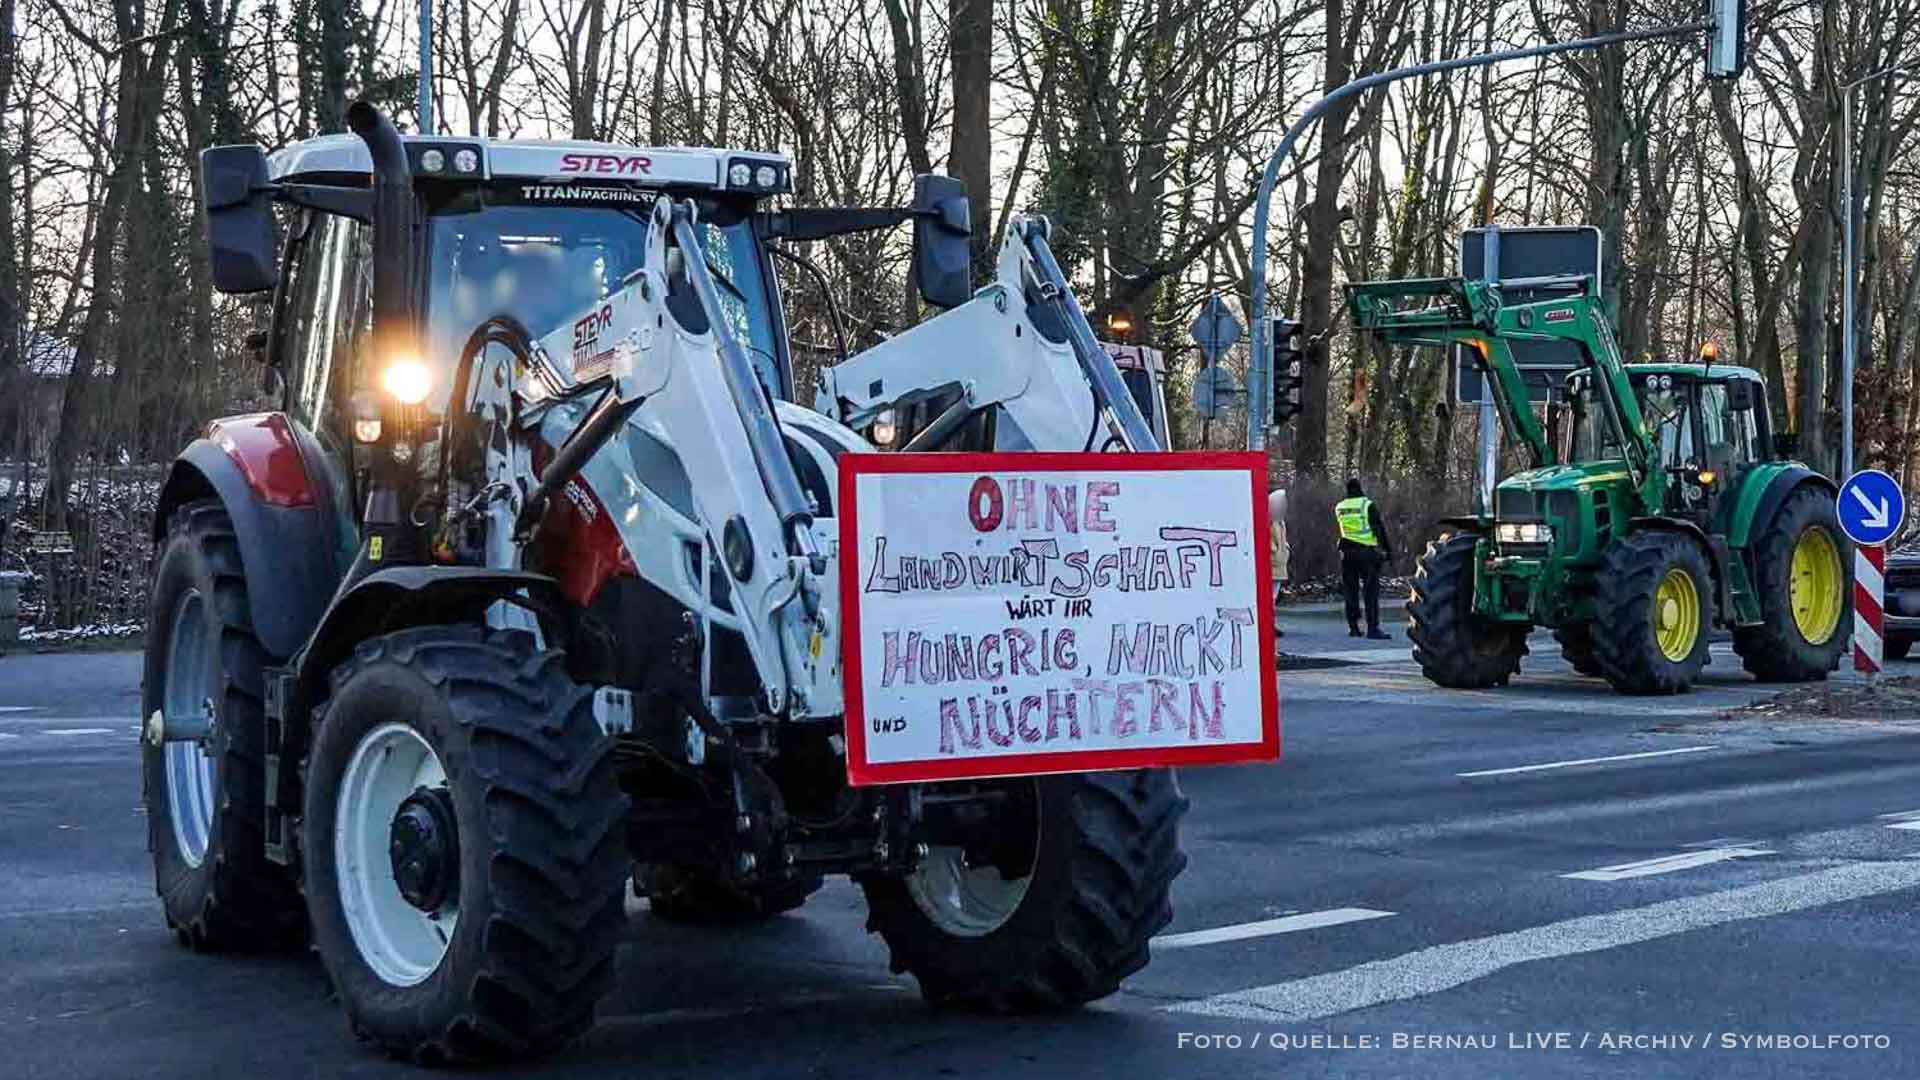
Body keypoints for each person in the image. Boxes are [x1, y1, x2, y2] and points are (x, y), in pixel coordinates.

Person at [1334, 477, 1392, 640]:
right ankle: (1372, 628)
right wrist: (1388, 551)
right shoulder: (1367, 505)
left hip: (1346, 553)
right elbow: (1378, 529)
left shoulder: (1340, 507)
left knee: (1350, 591)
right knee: (1370, 592)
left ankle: (1353, 627)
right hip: (1366, 553)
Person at [1267, 486, 1288, 639]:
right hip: (1273, 561)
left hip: (1280, 562)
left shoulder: (1280, 521)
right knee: (1270, 597)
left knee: (1274, 596)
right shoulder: (1269, 520)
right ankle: (1269, 624)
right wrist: (1274, 549)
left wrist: (1286, 549)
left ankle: (1271, 623)